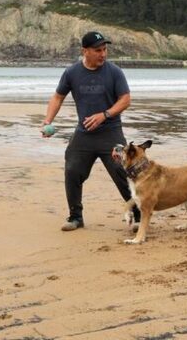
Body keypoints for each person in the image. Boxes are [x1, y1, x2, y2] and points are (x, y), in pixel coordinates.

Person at [41, 31, 141, 231]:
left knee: (122, 172)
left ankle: (138, 215)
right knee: (72, 171)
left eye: (105, 49)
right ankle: (75, 217)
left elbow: (125, 100)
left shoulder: (114, 72)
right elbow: (58, 97)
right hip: (84, 134)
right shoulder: (72, 73)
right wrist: (47, 121)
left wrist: (105, 114)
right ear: (84, 51)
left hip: (110, 133)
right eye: (98, 50)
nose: (103, 54)